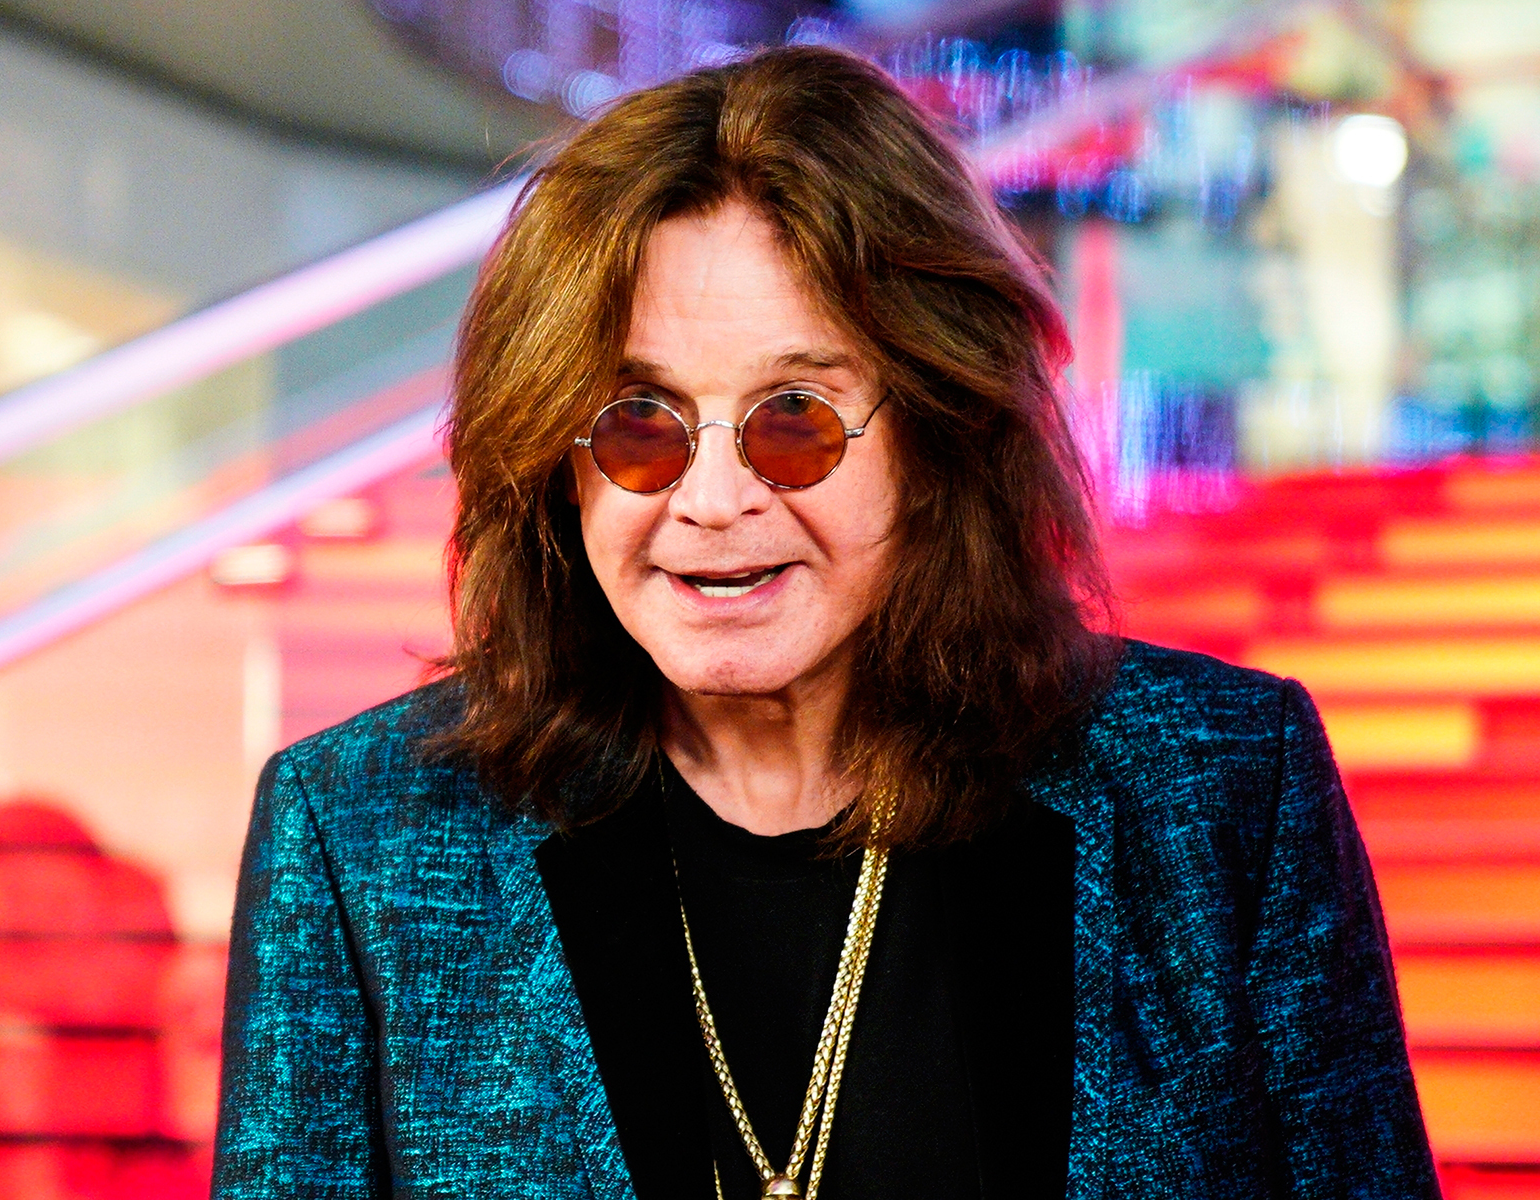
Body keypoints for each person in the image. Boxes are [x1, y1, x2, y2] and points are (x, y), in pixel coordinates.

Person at [213, 45, 1437, 1200]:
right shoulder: (357, 836)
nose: (710, 501)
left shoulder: (1223, 786)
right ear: (557, 460)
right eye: (639, 421)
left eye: (792, 415)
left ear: (938, 429)